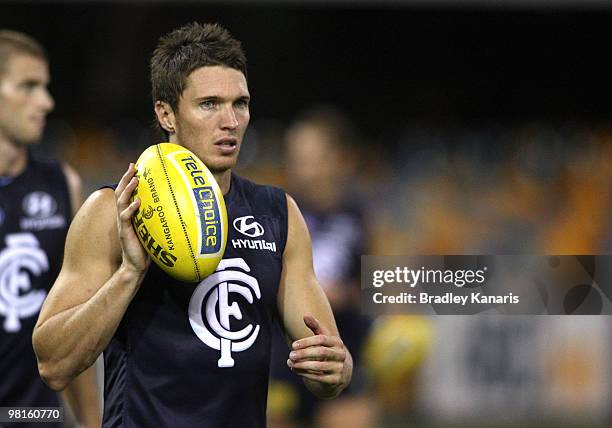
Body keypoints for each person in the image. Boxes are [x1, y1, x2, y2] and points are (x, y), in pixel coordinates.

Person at [32, 22, 352, 427]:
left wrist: (336, 369)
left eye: (241, 103)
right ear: (166, 113)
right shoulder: (114, 210)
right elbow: (52, 363)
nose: (231, 121)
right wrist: (130, 273)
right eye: (210, 104)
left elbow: (327, 365)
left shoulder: (278, 214)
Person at [0, 30, 101, 427]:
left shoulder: (63, 186)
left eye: (45, 87)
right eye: (28, 86)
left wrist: (93, 423)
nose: (46, 102)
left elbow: (73, 326)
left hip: (35, 415)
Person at [269, 106, 375, 428]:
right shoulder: (278, 212)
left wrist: (348, 294)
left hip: (344, 349)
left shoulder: (359, 214)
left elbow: (373, 284)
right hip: (285, 358)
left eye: (310, 157)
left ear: (336, 158)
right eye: (296, 156)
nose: (300, 167)